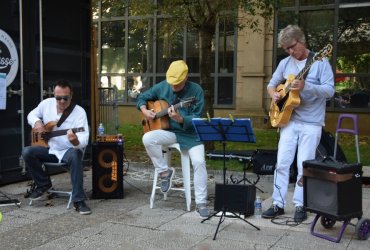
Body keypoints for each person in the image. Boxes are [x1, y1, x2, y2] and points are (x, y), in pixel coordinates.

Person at [263, 25, 335, 222]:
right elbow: (271, 84)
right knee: (282, 163)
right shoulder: (285, 63)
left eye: (292, 47)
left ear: (301, 41)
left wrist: (307, 86)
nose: (290, 52)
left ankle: (300, 205)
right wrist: (275, 94)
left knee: (305, 165)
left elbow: (330, 90)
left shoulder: (320, 61)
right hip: (288, 121)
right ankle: (277, 204)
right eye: (286, 49)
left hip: (311, 122)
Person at [137, 60, 209, 218]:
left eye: (177, 84)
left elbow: (196, 118)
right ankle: (164, 172)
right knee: (148, 138)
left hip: (191, 134)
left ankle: (201, 202)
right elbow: (142, 97)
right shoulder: (163, 85)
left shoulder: (196, 91)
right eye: (171, 83)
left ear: (186, 78)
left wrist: (180, 119)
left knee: (198, 162)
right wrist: (144, 110)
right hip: (170, 132)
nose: (173, 87)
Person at [22, 80, 91, 215]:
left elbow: (84, 139)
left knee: (76, 154)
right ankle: (43, 184)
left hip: (67, 150)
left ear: (71, 96)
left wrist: (75, 141)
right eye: (58, 98)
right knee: (27, 151)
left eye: (65, 98)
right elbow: (31, 114)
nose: (62, 101)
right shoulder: (46, 104)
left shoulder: (79, 112)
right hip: (50, 149)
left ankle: (79, 200)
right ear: (54, 95)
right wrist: (37, 122)